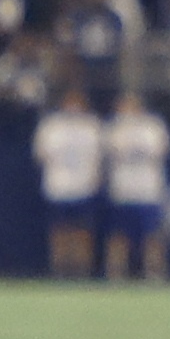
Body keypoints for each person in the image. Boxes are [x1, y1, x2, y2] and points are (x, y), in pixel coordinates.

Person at [32, 81, 106, 281]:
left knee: (83, 231)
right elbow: (40, 155)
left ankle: (82, 269)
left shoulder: (92, 125)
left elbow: (100, 156)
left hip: (84, 186)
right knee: (60, 231)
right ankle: (60, 268)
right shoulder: (51, 126)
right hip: (59, 186)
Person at [103, 86, 170, 280]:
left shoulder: (153, 126)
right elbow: (109, 152)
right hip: (123, 189)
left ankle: (154, 271)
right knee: (119, 235)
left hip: (148, 189)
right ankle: (116, 272)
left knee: (152, 235)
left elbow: (161, 151)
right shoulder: (113, 128)